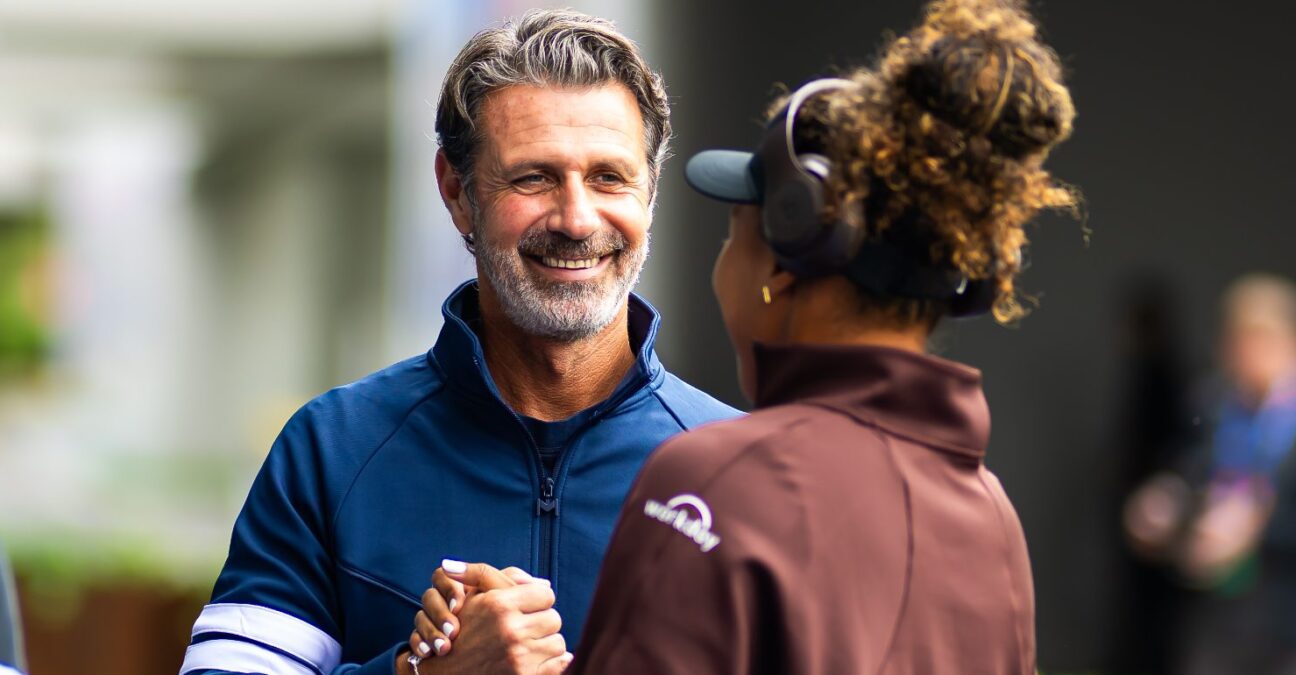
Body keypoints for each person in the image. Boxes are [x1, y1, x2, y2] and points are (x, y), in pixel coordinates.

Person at [415, 0, 1078, 672]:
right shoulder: (989, 514)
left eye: (734, 232)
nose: (578, 216)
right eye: (533, 176)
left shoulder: (711, 480)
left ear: (780, 269)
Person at [178, 10, 738, 675]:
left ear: (650, 194)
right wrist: (424, 671)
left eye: (609, 177)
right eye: (533, 177)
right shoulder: (332, 449)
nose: (577, 218)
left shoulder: (741, 472)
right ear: (457, 191)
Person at [1124, 273, 1296, 674]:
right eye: (1238, 342)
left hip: (1285, 609)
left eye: (1260, 341)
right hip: (1218, 603)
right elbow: (1191, 468)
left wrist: (1257, 525)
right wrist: (1168, 498)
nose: (1247, 355)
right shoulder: (1215, 404)